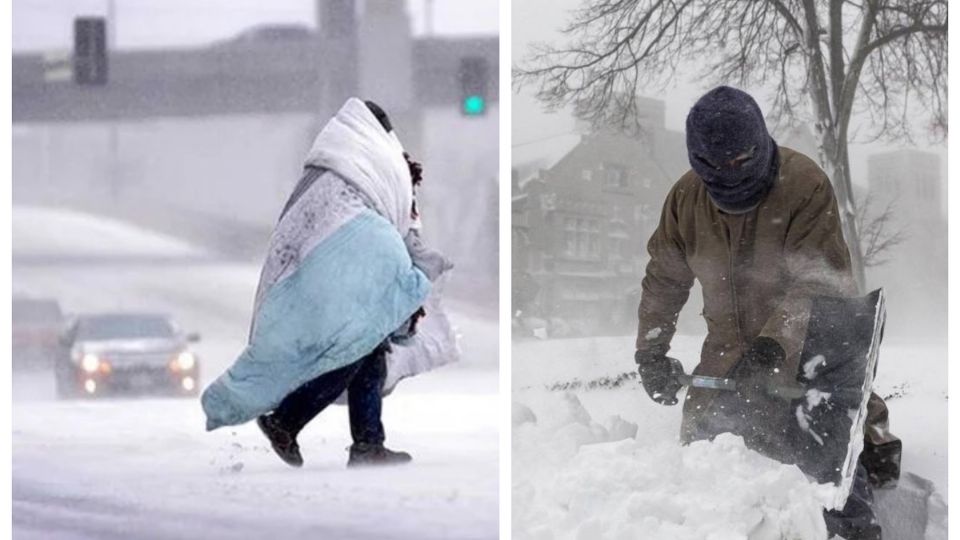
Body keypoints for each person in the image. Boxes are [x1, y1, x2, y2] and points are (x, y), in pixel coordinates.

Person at [633, 86, 899, 540]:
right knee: (706, 459)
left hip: (807, 348)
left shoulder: (803, 185)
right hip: (726, 355)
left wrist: (774, 346)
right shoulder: (685, 200)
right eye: (716, 167)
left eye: (739, 161)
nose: (729, 174)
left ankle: (865, 445)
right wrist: (651, 352)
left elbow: (821, 282)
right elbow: (664, 278)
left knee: (827, 471)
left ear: (760, 143)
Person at [202, 98, 452, 469]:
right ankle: (287, 421)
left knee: (367, 352)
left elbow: (304, 225)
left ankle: (367, 443)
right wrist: (418, 265)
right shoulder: (380, 164)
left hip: (323, 274)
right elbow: (397, 222)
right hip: (350, 274)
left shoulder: (327, 169)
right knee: (352, 350)